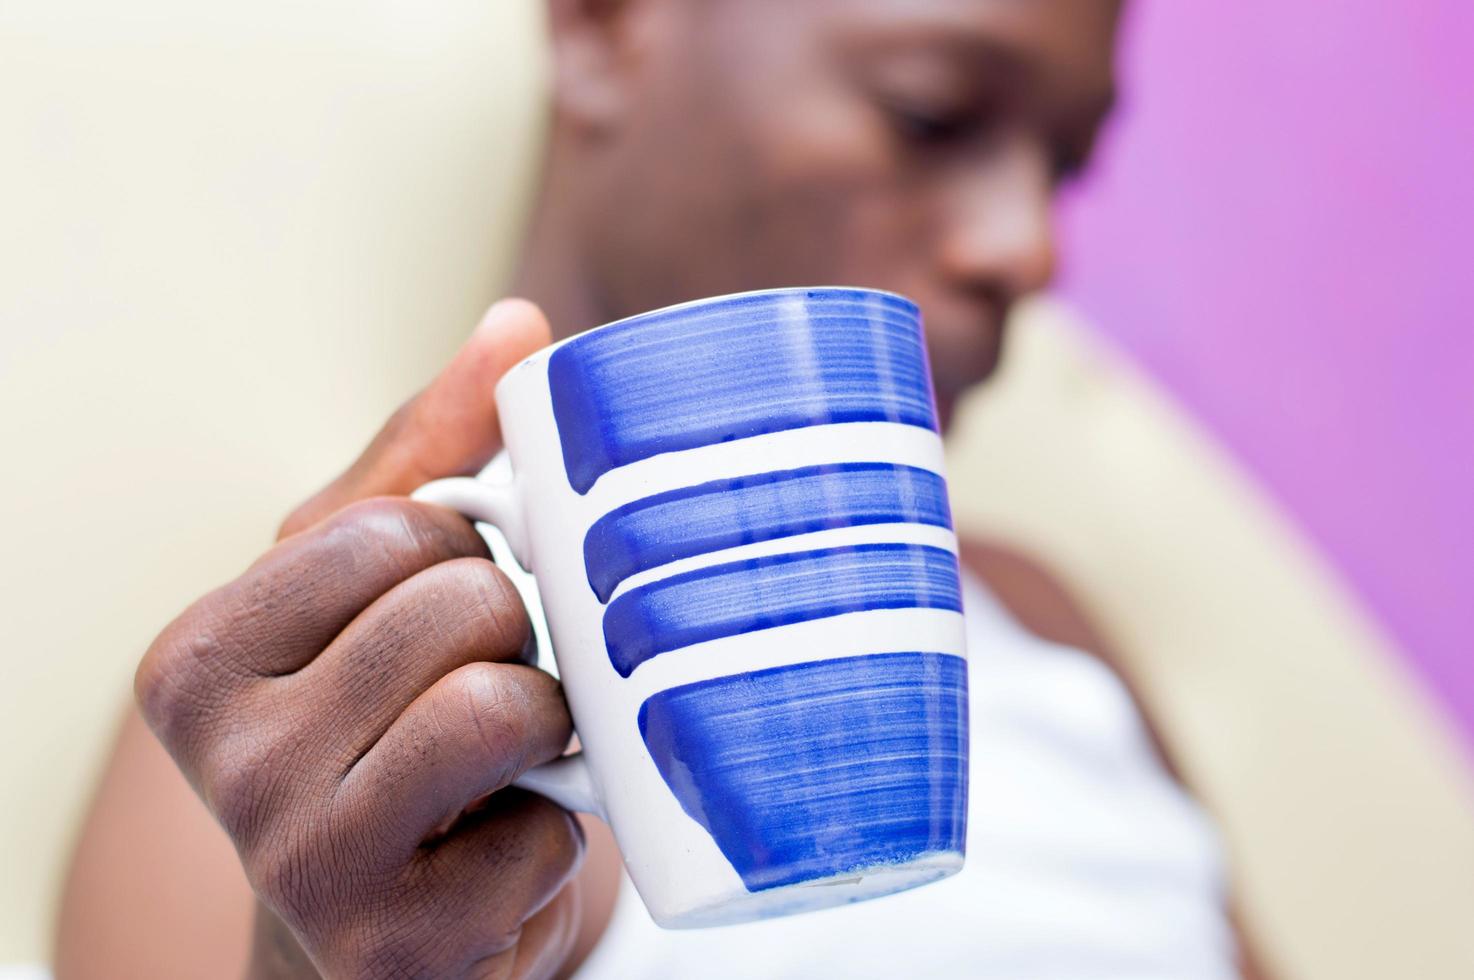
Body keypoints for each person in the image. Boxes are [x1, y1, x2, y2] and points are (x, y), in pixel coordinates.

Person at [56, 0, 1266, 976]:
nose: (1029, 248)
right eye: (933, 113)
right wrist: (305, 953)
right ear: (600, 25)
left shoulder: (1043, 619)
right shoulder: (313, 742)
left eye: (1064, 165)